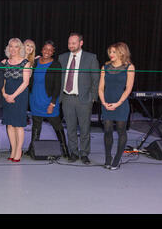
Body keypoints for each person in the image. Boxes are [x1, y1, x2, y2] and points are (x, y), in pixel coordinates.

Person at [58, 32, 100, 164]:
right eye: (69, 43)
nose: (71, 45)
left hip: (84, 99)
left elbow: (96, 79)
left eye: (74, 43)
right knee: (70, 127)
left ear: (81, 43)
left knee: (84, 128)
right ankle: (74, 153)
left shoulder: (91, 58)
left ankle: (84, 153)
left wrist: (93, 97)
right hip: (67, 98)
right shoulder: (62, 57)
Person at [27, 40, 69, 158]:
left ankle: (65, 149)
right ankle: (32, 149)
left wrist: (53, 104)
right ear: (42, 50)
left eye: (50, 50)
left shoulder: (56, 65)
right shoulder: (34, 62)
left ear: (53, 52)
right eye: (45, 49)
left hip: (49, 100)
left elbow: (57, 87)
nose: (47, 51)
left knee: (57, 126)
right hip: (35, 98)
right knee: (36, 126)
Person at [99, 42, 135, 170]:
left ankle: (117, 159)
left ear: (122, 52)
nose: (111, 54)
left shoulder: (129, 67)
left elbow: (128, 89)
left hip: (121, 103)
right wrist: (104, 102)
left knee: (121, 130)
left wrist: (118, 103)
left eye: (114, 52)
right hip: (107, 102)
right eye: (110, 52)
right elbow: (101, 88)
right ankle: (108, 158)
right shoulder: (105, 67)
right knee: (107, 130)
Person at [1, 38, 32, 162]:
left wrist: (12, 96)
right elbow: (1, 81)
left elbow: (26, 83)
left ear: (20, 49)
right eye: (11, 46)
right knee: (9, 124)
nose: (13, 49)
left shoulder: (26, 63)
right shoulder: (4, 62)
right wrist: (4, 94)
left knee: (18, 124)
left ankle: (19, 150)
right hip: (7, 95)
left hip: (19, 96)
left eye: (16, 47)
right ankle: (13, 149)